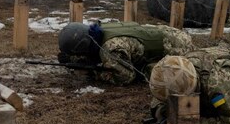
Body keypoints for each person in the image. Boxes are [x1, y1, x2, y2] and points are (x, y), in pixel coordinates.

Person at [57, 21, 193, 86]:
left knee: (149, 71)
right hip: (167, 32)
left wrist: (94, 72)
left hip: (176, 46)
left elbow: (126, 77)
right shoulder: (98, 29)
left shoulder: (110, 48)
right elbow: (93, 51)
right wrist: (74, 59)